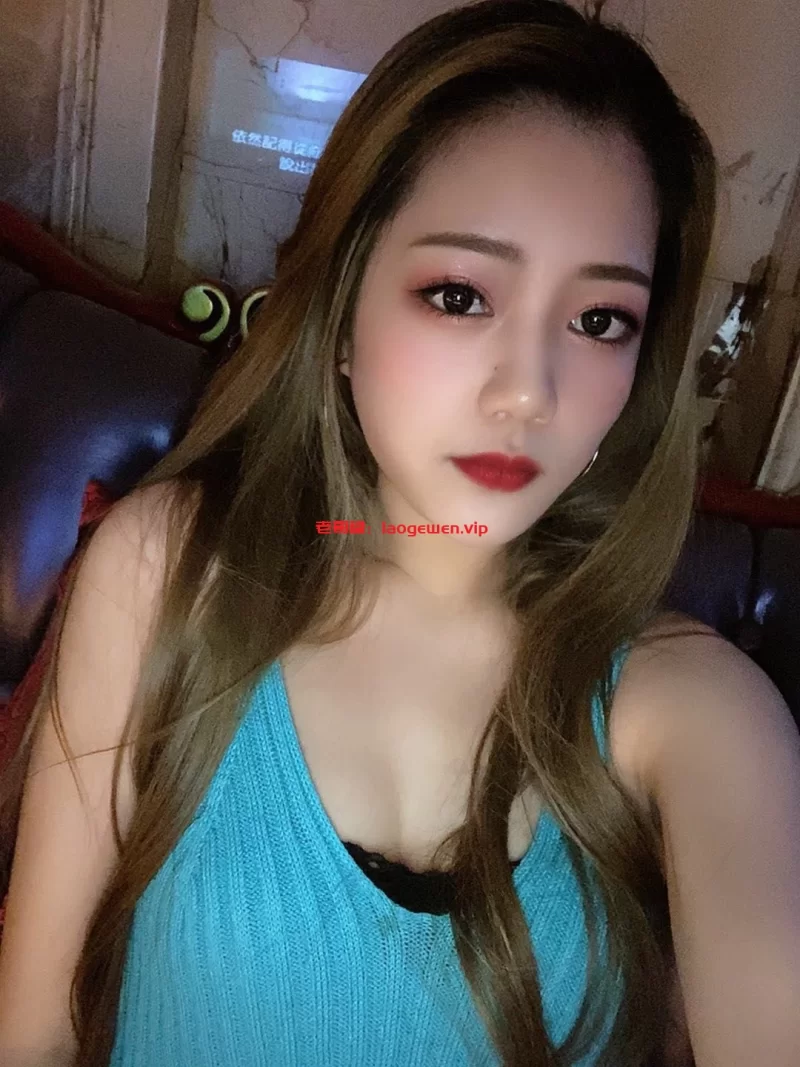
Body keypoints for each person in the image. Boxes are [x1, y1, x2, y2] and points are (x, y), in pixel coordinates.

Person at [1, 0, 799, 1064]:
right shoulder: (170, 572)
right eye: (460, 295)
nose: (529, 390)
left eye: (598, 319)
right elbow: (34, 1032)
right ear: (340, 314)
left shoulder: (691, 711)